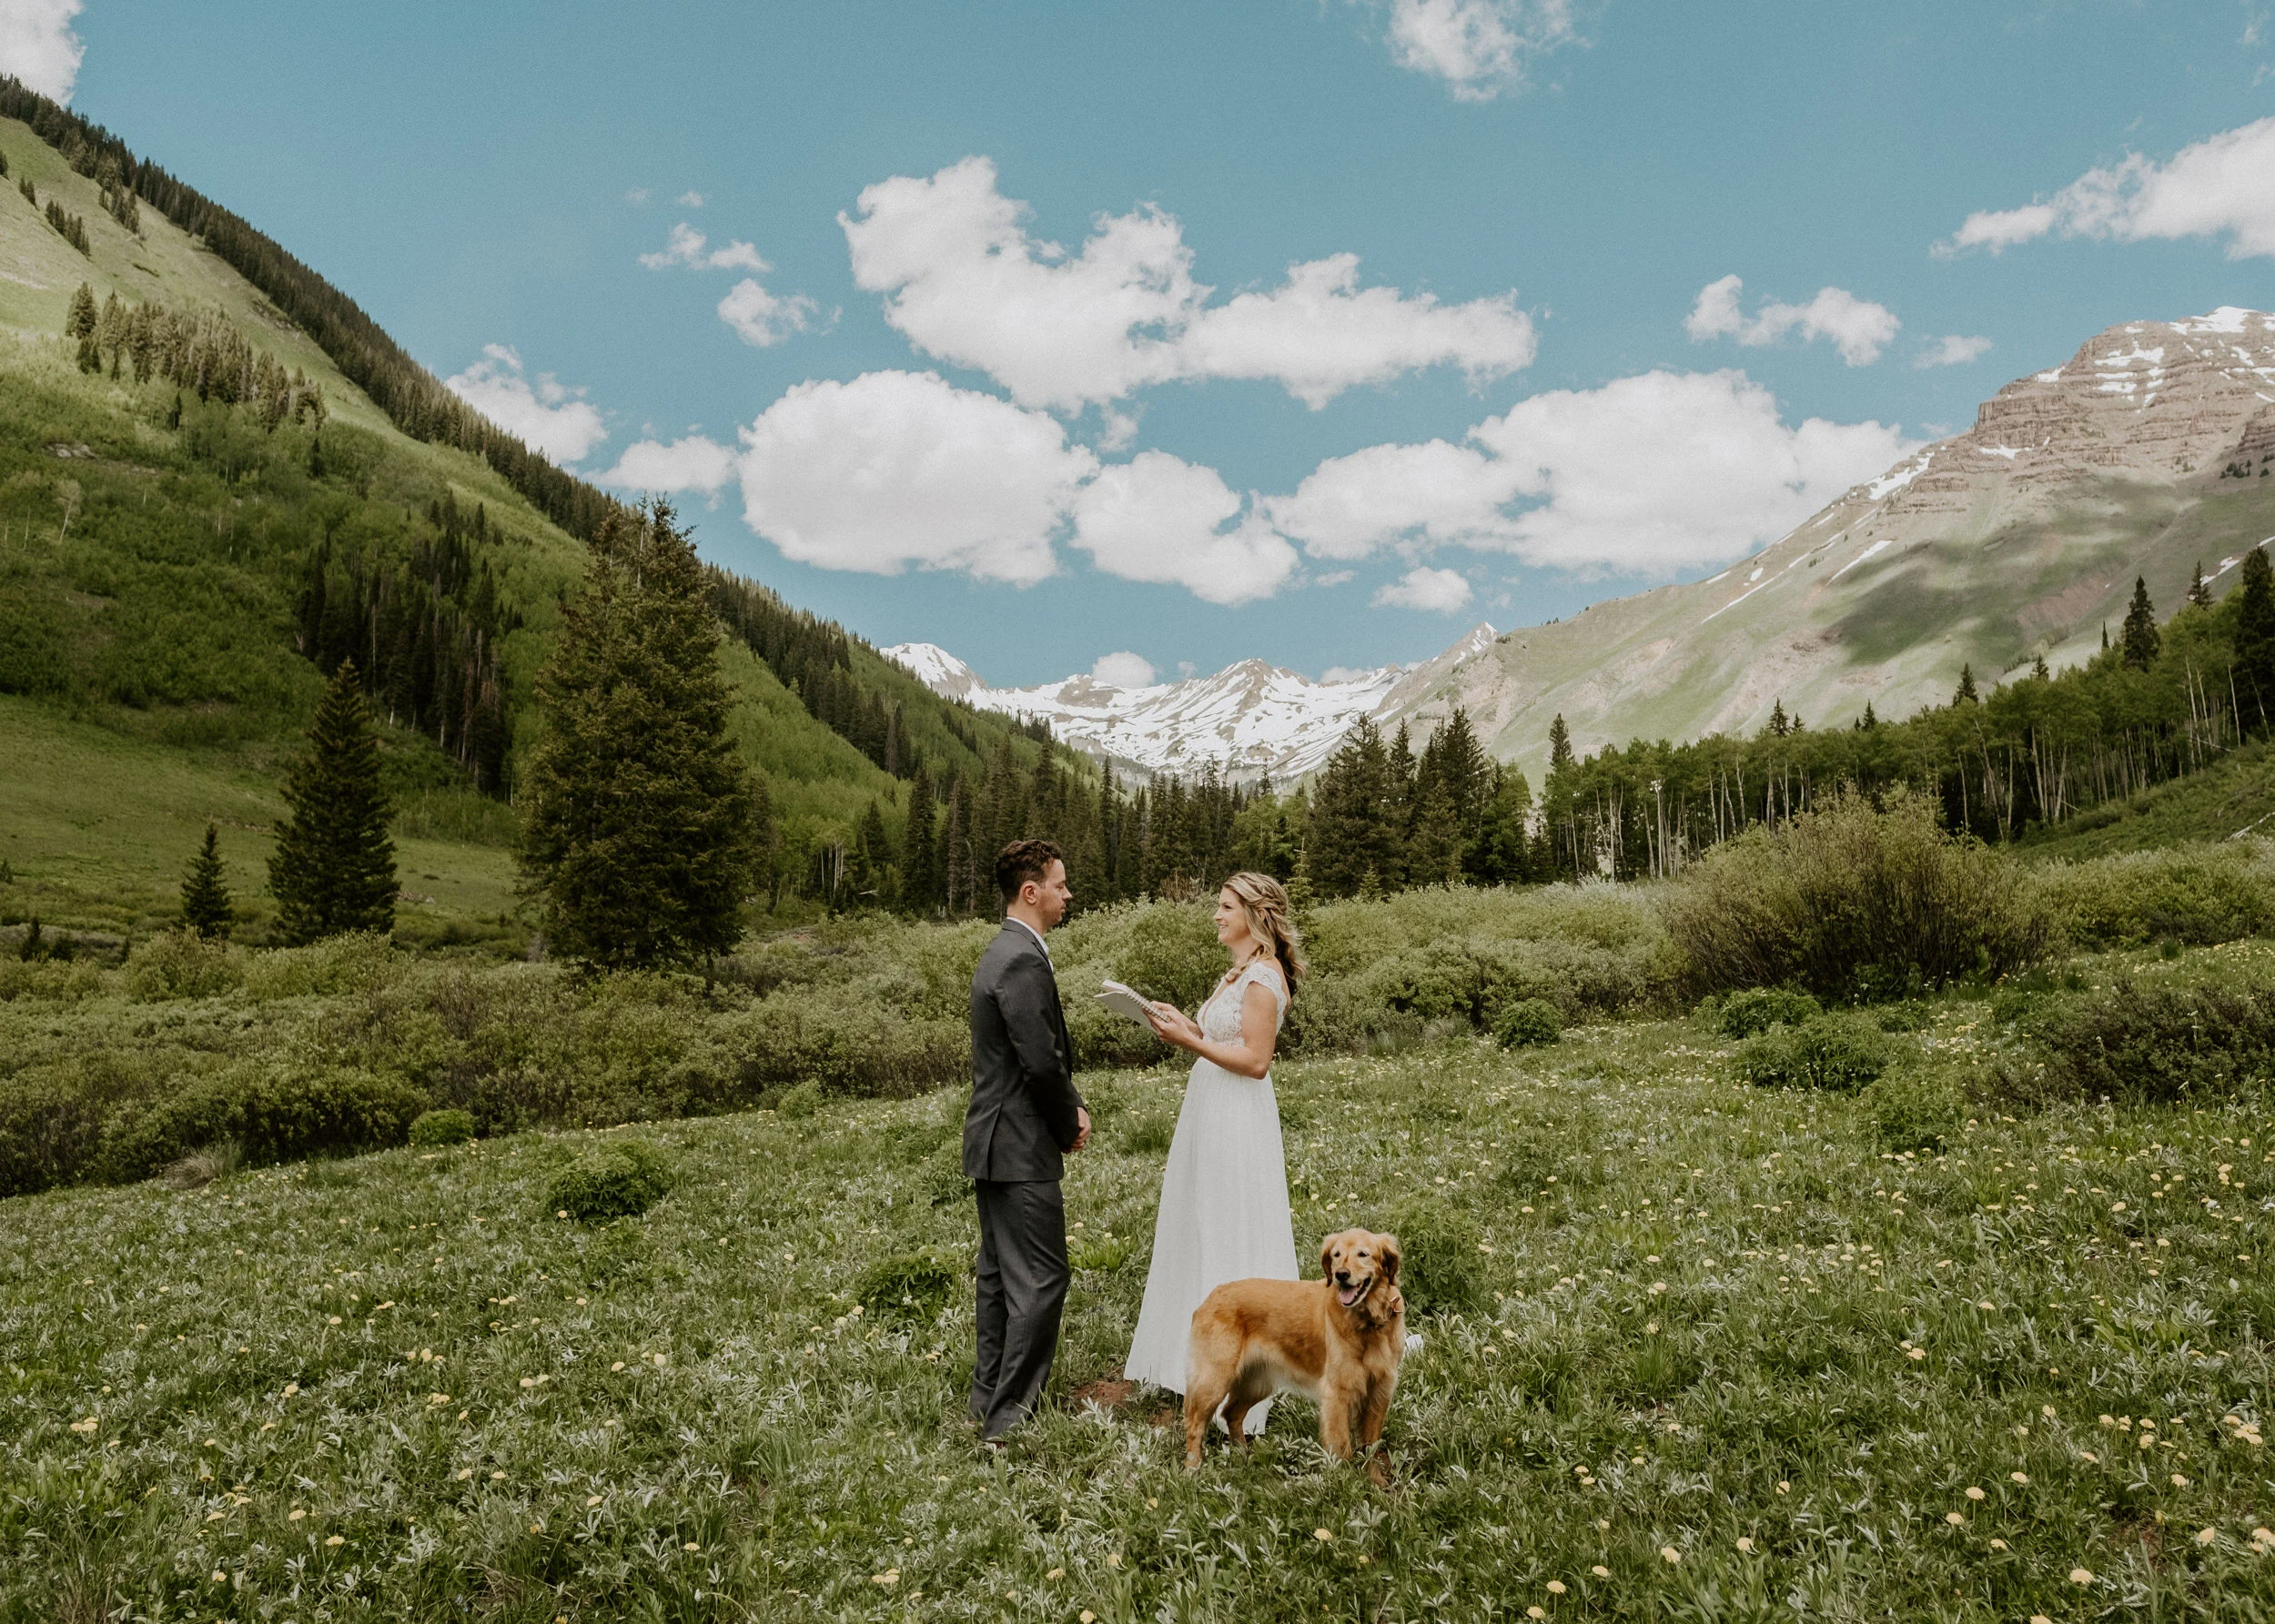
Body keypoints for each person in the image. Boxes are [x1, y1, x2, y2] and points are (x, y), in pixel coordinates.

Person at [1123, 872, 1303, 1433]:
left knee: (1229, 1222)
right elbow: (1220, 1038)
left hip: (1237, 1117)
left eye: (1225, 907)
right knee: (1199, 1221)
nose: (1216, 915)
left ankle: (1244, 1369)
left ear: (1255, 916)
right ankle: (1201, 1358)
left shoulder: (1264, 977)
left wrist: (1190, 1042)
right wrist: (1183, 1023)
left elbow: (1255, 1061)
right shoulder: (1237, 973)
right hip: (1211, 1110)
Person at [964, 838, 1091, 1442]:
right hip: (1018, 1146)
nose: (1068, 895)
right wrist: (1070, 1119)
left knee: (998, 1277)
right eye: (1061, 885)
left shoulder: (1002, 950)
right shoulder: (1020, 959)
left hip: (994, 1144)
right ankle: (1008, 1420)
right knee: (1042, 1277)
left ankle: (986, 1396)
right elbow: (1038, 1061)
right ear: (1031, 890)